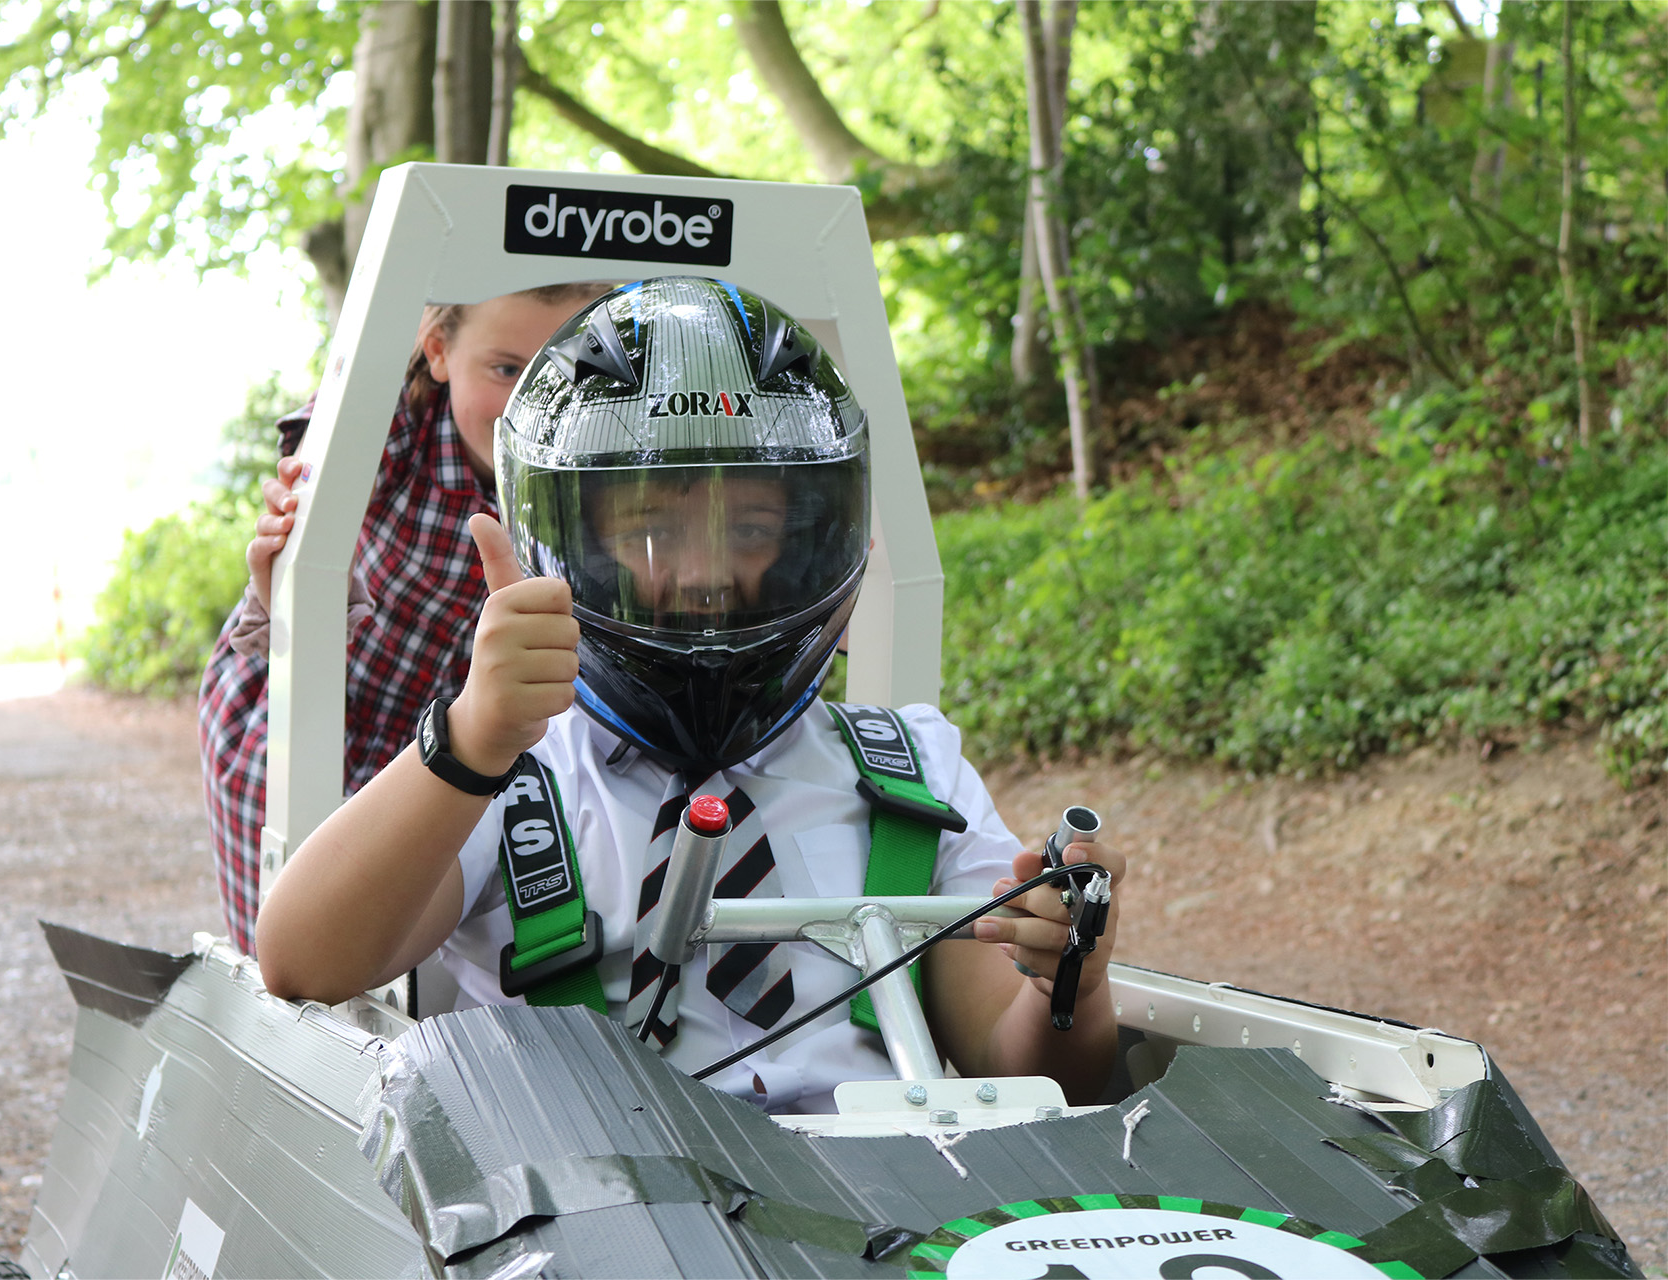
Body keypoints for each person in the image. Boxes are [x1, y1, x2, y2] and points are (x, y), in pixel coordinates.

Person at [256, 276, 1127, 1111]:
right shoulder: (509, 777)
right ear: (569, 542)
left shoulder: (913, 771)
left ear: (815, 538)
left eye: (751, 529)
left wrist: (1071, 981)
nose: (706, 574)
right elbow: (302, 962)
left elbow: (1031, 1075)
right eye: (647, 528)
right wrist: (473, 739)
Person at [198, 283, 611, 957]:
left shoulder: (597, 456)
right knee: (304, 941)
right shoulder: (399, 425)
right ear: (439, 350)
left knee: (427, 943)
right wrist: (296, 524)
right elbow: (315, 495)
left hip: (459, 735)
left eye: (565, 369)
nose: (532, 401)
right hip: (314, 703)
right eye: (506, 369)